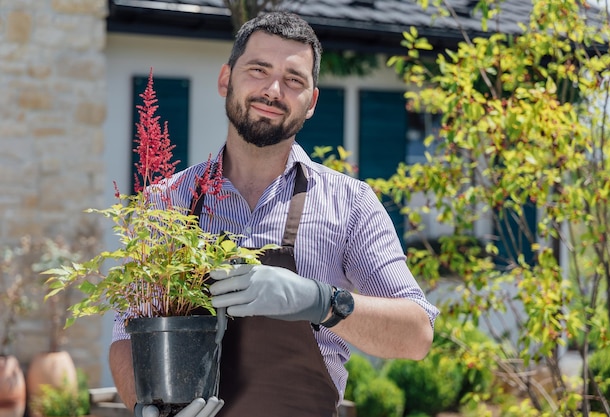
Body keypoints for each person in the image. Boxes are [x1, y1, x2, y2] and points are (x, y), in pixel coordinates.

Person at [109, 10, 439, 417]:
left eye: (294, 79)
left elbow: (417, 334)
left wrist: (321, 301)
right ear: (225, 79)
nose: (273, 89)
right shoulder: (166, 202)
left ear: (312, 101)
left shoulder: (350, 203)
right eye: (258, 70)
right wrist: (145, 407)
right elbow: (126, 337)